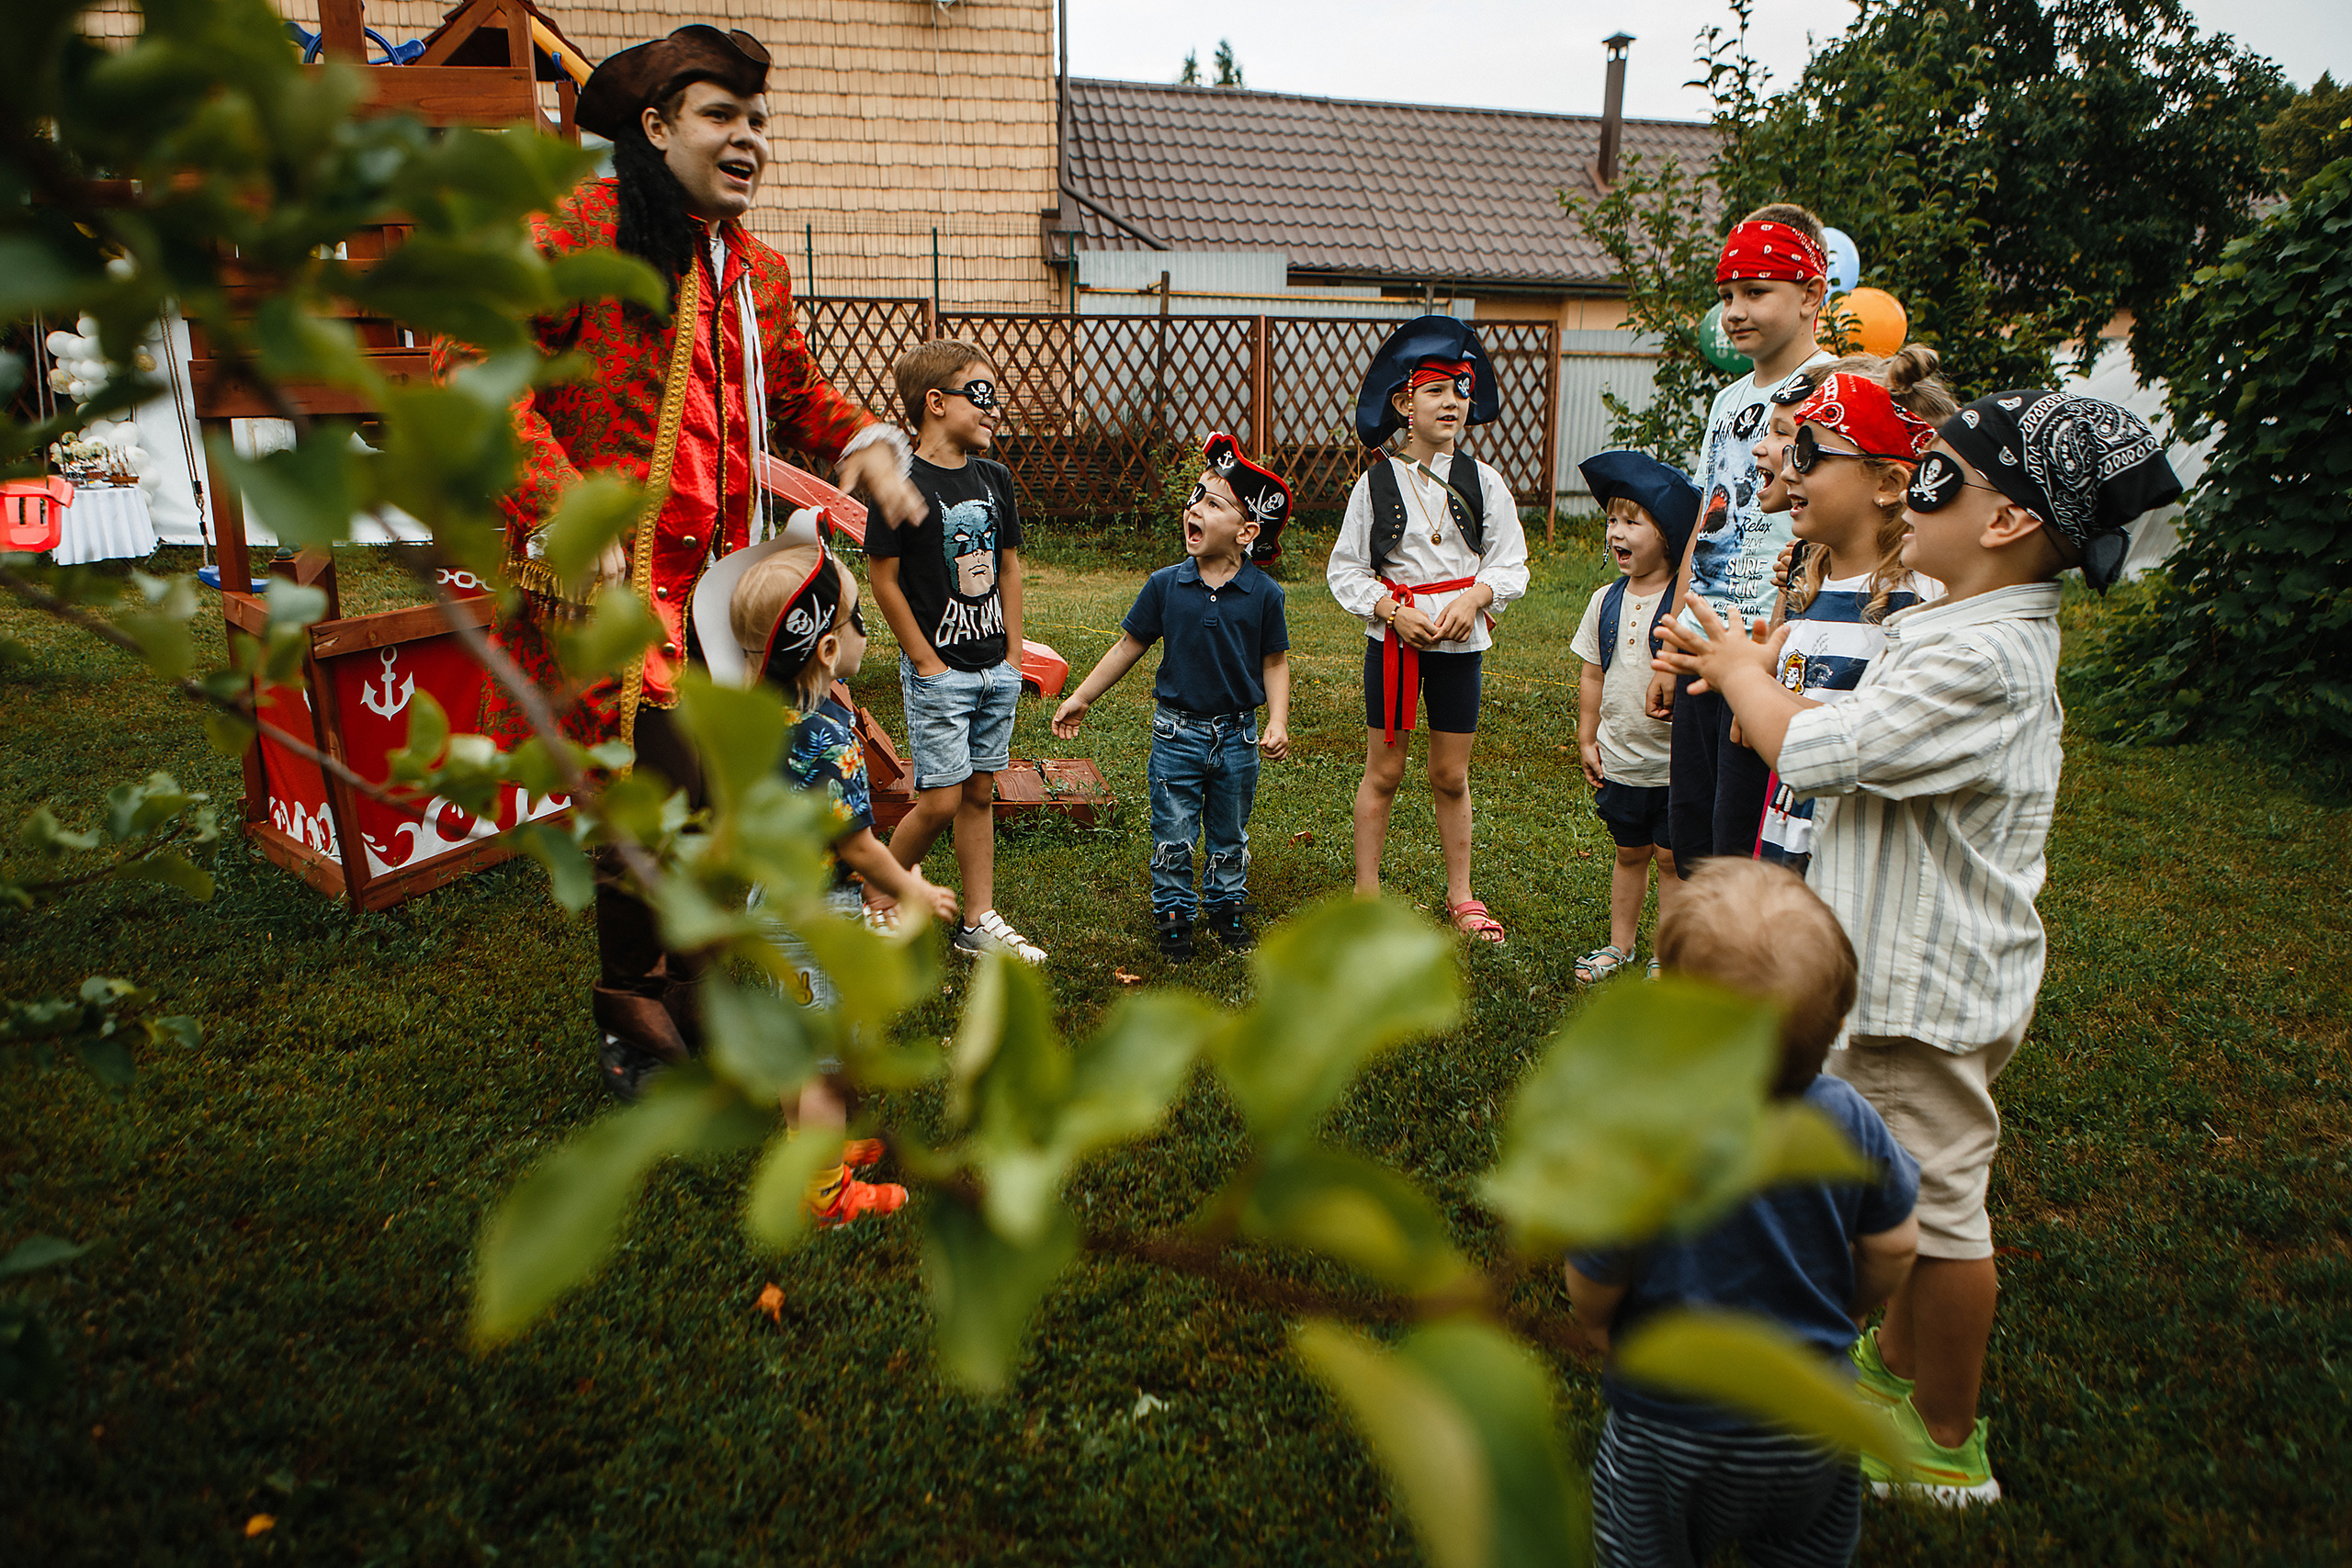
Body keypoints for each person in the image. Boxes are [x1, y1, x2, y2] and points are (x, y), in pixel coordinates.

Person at [1654, 389, 2183, 1505]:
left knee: (1940, 1211)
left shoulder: (1984, 659)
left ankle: (1943, 1440)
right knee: (1894, 1178)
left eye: (1940, 467)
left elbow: (1823, 754)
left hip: (1921, 988)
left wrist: (1746, 675)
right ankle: (1891, 1372)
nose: (1918, 481)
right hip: (1887, 968)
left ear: (2003, 522)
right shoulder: (1945, 621)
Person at [438, 24, 925, 1100]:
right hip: (612, 591)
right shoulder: (577, 229)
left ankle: (700, 990)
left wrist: (873, 452)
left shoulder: (758, 269)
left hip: (724, 590)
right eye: (722, 116)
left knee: (716, 798)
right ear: (656, 128)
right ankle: (631, 1011)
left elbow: (796, 393)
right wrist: (564, 506)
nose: (748, 138)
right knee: (648, 798)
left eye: (757, 120)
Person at [1566, 858, 1920, 1568]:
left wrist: (1601, 1326)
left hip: (1669, 1422)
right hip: (1810, 1415)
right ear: (1839, 1021)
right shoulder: (1847, 1119)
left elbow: (1592, 1274)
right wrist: (1851, 1308)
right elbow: (1896, 1243)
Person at [728, 542, 958, 1224]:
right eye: (861, 622)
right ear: (827, 649)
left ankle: (809, 1151)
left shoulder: (762, 711)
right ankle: (825, 1194)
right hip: (813, 919)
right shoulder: (827, 732)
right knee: (823, 1063)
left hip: (774, 904)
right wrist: (910, 888)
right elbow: (856, 842)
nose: (867, 634)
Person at [1328, 315, 1530, 942]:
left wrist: (1476, 596)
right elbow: (1347, 569)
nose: (1452, 402)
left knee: (1450, 774)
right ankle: (1366, 898)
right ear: (1403, 401)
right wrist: (1391, 610)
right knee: (1383, 771)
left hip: (1459, 647)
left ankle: (1462, 894)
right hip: (1394, 643)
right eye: (1437, 389)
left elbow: (1511, 561)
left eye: (1461, 389)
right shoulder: (1375, 482)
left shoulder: (1485, 482)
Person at [1051, 434, 1294, 957]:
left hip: (1237, 735)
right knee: (1175, 826)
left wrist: (1277, 720)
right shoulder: (1166, 585)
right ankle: (1175, 911)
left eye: (1213, 502)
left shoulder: (1264, 594)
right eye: (1194, 499)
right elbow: (1128, 646)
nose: (1195, 508)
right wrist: (1083, 696)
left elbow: (1274, 662)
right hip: (1176, 733)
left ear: (1247, 531)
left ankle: (1227, 906)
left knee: (1229, 829)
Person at [1650, 205, 1837, 873]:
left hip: (1768, 648)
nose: (1734, 310)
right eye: (1728, 294)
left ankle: (1738, 970)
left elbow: (1828, 543)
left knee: (1744, 838)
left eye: (1756, 292)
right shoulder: (1728, 401)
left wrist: (1770, 673)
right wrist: (1671, 641)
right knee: (1691, 831)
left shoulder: (1835, 391)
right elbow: (1705, 519)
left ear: (1812, 294)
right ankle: (1693, 963)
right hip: (1705, 640)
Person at [864, 340, 1046, 964]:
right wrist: (923, 658)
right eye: (982, 394)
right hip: (939, 673)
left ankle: (977, 919)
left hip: (994, 667)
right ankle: (877, 895)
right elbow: (882, 577)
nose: (995, 409)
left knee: (978, 793)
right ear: (936, 403)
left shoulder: (994, 479)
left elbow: (1011, 569)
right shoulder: (900, 483)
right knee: (939, 799)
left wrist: (1014, 656)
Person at [1755, 372, 1942, 874]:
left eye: (1810, 456)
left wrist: (1743, 682)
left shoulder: (1911, 609)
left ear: (1888, 484)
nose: (1789, 473)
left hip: (1851, 857)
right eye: (1791, 453)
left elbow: (1875, 748)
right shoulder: (1809, 590)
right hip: (1786, 831)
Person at [1569, 450, 1700, 983]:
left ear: (1667, 533)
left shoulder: (1686, 605)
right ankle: (1619, 945)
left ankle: (1666, 952)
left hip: (1672, 764)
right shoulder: (1605, 600)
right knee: (1630, 854)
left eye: (1631, 521)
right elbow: (1593, 675)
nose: (1615, 533)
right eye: (1611, 521)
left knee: (1671, 861)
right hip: (1621, 758)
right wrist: (1586, 736)